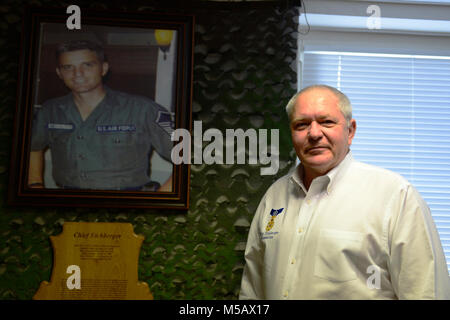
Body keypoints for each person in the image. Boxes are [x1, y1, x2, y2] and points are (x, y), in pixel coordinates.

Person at [239, 84, 450, 299]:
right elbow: (252, 291)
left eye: (326, 122)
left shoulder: (396, 196)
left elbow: (426, 292)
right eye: (301, 125)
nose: (313, 133)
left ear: (350, 131)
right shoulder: (274, 197)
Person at [28, 40, 173, 191]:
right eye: (68, 67)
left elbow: (188, 158)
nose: (78, 74)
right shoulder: (49, 111)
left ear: (103, 69)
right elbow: (33, 147)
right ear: (59, 73)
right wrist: (35, 184)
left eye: (87, 65)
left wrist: (158, 200)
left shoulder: (144, 110)